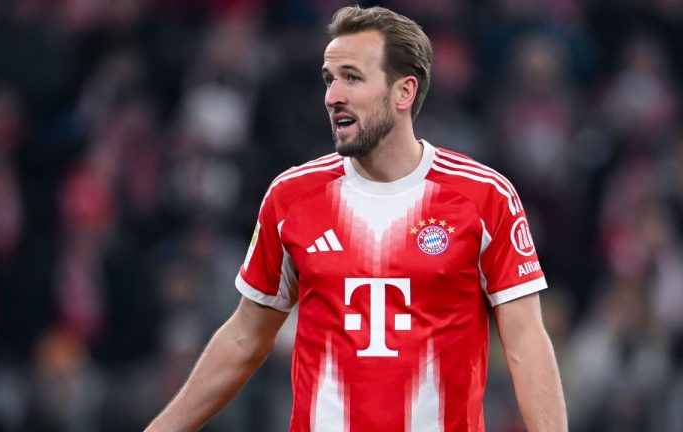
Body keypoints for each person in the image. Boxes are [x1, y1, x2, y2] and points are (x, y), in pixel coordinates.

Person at [145, 5, 567, 432]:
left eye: (352, 77)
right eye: (329, 79)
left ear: (403, 93)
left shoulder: (484, 196)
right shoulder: (292, 197)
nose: (332, 96)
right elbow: (244, 337)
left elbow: (526, 343)